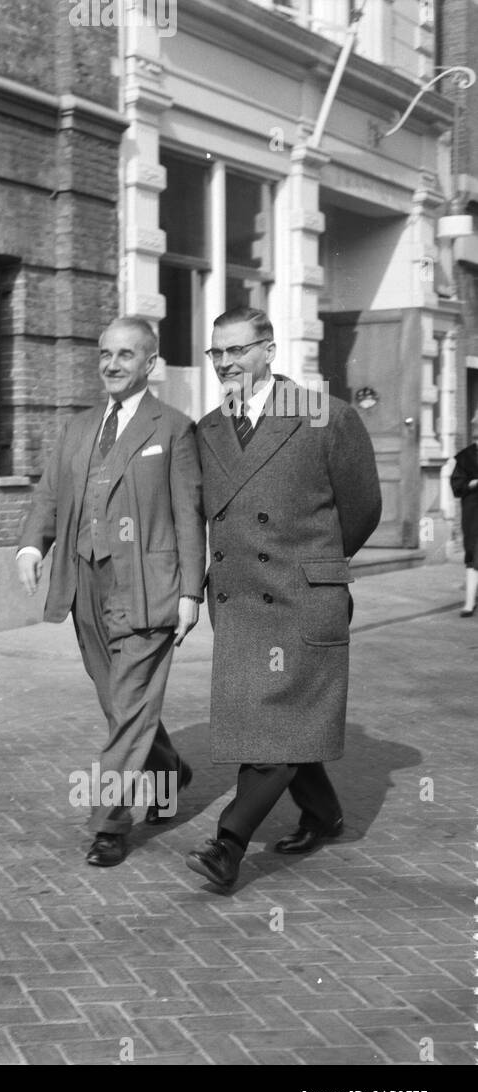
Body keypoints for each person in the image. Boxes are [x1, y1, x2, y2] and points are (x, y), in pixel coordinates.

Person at [187, 306, 381, 889]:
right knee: (277, 718)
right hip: (241, 602)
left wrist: (316, 563)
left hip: (304, 599)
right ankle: (323, 814)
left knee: (272, 728)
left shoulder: (324, 416)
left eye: (238, 350)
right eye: (217, 353)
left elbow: (363, 509)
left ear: (269, 351)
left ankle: (228, 843)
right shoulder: (208, 429)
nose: (226, 363)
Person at [17, 317, 205, 869]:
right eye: (104, 353)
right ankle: (169, 771)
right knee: (119, 702)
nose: (112, 364)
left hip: (148, 588)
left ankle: (107, 825)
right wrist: (32, 548)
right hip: (84, 585)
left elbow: (188, 516)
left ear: (150, 364)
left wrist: (190, 591)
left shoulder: (173, 428)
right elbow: (49, 494)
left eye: (126, 354)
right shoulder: (77, 428)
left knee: (127, 705)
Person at [449, 410, 478, 617]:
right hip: (473, 510)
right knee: (473, 553)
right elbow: (457, 485)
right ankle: (469, 603)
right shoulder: (466, 457)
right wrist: (474, 483)